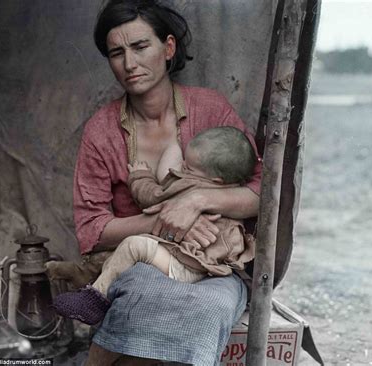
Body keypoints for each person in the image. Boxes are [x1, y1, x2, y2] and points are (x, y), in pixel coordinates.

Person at [57, 0, 263, 364]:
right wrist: (164, 219)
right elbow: (92, 229)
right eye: (116, 53)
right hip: (143, 262)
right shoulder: (102, 130)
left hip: (212, 265)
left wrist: (196, 202)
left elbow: (262, 192)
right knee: (140, 295)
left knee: (212, 306)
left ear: (168, 48)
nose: (129, 64)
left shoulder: (211, 110)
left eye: (140, 47)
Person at [53, 126, 257, 325]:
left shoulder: (191, 185)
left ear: (216, 180)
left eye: (188, 168)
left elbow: (152, 196)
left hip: (188, 266)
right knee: (119, 257)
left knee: (134, 246)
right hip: (192, 259)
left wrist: (140, 175)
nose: (182, 167)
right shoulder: (231, 191)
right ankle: (86, 277)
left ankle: (94, 302)